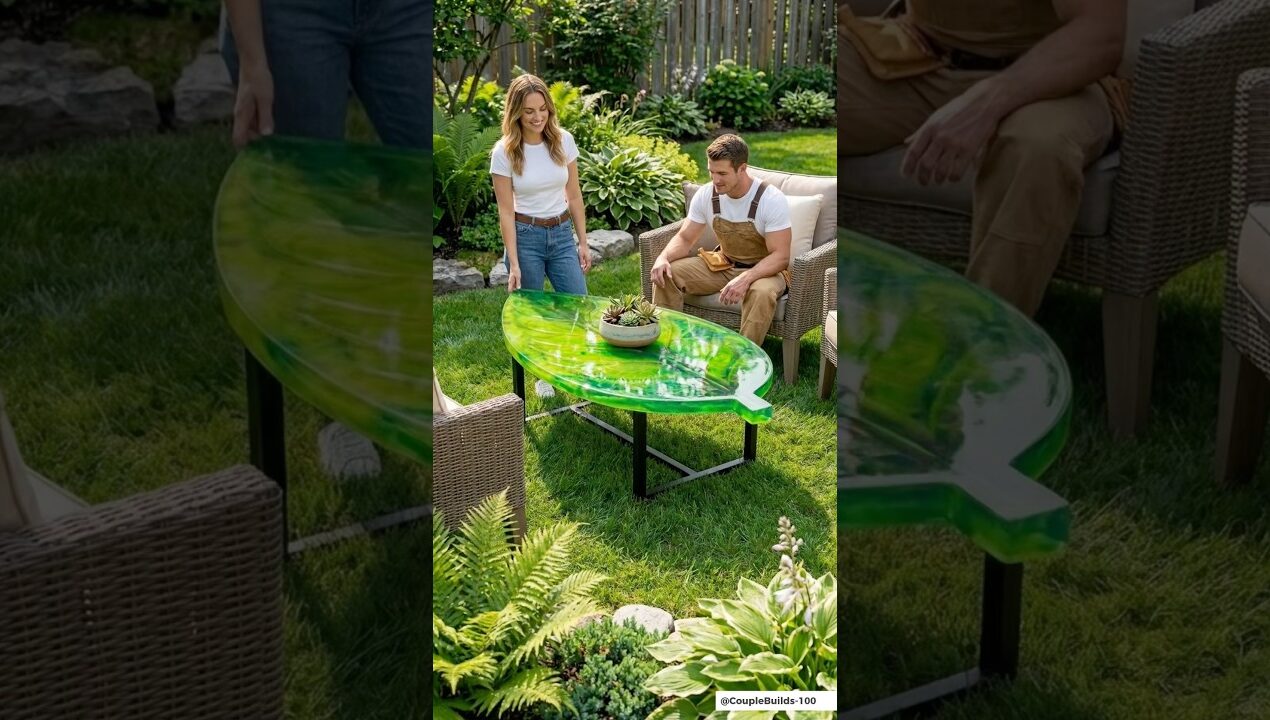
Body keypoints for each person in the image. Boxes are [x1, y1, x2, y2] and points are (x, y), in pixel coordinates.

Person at [219, 0, 429, 478]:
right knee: (312, 207)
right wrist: (254, 63)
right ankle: (344, 411)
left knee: (428, 186)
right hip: (291, 14)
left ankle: (412, 365)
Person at [839, 0, 1126, 316]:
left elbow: (1101, 35)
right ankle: (807, 295)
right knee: (802, 94)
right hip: (917, 55)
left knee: (1037, 148)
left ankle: (983, 343)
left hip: (1052, 78)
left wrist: (989, 101)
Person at [650, 134, 792, 347]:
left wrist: (746, 279)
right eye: (711, 172)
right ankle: (666, 346)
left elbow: (781, 256)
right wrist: (663, 258)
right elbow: (685, 237)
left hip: (765, 271)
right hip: (724, 264)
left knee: (761, 292)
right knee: (668, 273)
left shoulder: (770, 199)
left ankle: (744, 359)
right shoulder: (707, 194)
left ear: (742, 168)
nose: (715, 180)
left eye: (722, 173)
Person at [491, 74, 591, 295]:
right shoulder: (503, 152)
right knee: (531, 316)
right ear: (516, 112)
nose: (538, 117)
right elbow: (506, 212)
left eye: (543, 109)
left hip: (562, 235)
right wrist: (514, 264)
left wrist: (583, 242)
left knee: (578, 306)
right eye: (529, 111)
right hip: (526, 238)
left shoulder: (564, 140)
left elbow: (574, 195)